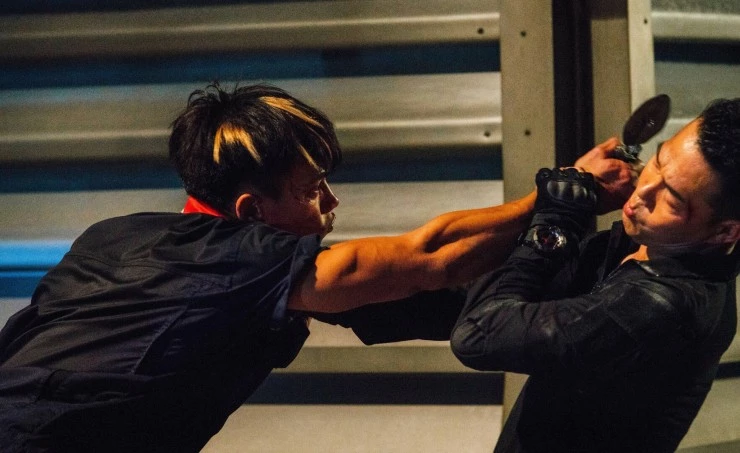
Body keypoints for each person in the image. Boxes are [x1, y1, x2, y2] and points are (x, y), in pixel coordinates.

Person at [0, 82, 631, 453]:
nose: (331, 203)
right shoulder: (238, 258)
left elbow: (411, 294)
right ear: (251, 211)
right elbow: (427, 258)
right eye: (311, 189)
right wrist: (561, 193)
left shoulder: (118, 235)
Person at [451, 98, 740, 453]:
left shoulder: (658, 305)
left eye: (673, 200)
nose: (643, 192)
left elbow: (476, 335)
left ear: (726, 231)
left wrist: (556, 220)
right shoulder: (649, 249)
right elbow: (491, 296)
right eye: (658, 161)